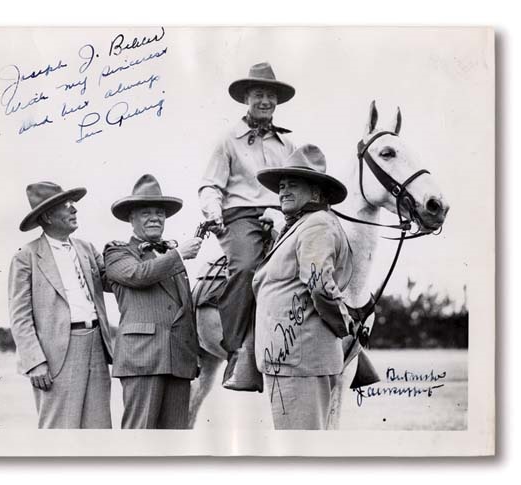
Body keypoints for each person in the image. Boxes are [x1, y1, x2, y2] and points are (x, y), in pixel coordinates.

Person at [198, 61, 296, 389]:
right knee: (246, 268)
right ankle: (238, 352)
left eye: (270, 95)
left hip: (285, 215)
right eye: (258, 94)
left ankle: (349, 345)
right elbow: (210, 184)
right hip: (241, 217)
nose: (265, 100)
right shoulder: (228, 139)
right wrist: (213, 213)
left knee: (322, 254)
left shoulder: (288, 145)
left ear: (277, 101)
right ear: (246, 99)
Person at [252, 144, 358, 430]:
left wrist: (344, 326)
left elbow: (321, 285)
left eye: (292, 184)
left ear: (315, 192)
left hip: (300, 363)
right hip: (288, 362)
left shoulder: (317, 224)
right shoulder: (302, 225)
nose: (283, 190)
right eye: (282, 185)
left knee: (299, 451)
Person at [8, 181, 114, 429]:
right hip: (56, 355)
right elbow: (20, 316)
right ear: (47, 216)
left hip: (97, 344)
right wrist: (35, 362)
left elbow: (113, 281)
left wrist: (135, 254)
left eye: (73, 204)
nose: (74, 209)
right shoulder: (26, 256)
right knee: (59, 432)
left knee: (99, 429)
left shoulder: (87, 248)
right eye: (66, 205)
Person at [104, 174, 202, 429]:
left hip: (179, 361)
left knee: (175, 444)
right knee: (139, 440)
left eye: (159, 212)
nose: (155, 217)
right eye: (146, 212)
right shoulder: (117, 252)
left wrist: (193, 358)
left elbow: (185, 310)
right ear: (131, 219)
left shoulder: (169, 255)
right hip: (142, 360)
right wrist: (179, 255)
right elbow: (139, 275)